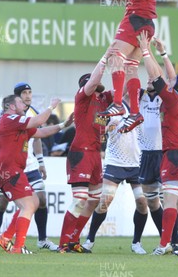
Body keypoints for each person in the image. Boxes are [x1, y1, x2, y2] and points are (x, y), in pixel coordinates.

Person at [84, 0, 158, 134]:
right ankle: (134, 112)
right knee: (131, 67)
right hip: (143, 21)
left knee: (115, 55)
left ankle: (117, 103)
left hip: (137, 19)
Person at [0, 82, 60, 252]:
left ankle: (32, 239)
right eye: (23, 94)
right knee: (6, 203)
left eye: (30, 92)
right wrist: (52, 106)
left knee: (37, 200)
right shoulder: (9, 116)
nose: (27, 96)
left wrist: (64, 125)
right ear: (14, 101)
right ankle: (2, 242)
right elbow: (38, 123)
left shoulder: (30, 113)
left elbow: (39, 135)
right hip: (8, 167)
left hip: (26, 165)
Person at [138, 32, 178, 255]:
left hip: (174, 156)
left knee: (169, 203)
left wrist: (145, 50)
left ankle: (163, 246)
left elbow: (156, 74)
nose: (169, 81)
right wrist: (162, 52)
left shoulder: (170, 99)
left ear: (174, 87)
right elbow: (170, 77)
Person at [58, 47, 116, 253]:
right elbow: (93, 81)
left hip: (94, 155)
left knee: (93, 202)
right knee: (80, 200)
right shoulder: (82, 97)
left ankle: (73, 241)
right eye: (92, 81)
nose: (98, 83)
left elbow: (123, 90)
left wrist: (127, 63)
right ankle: (63, 243)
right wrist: (106, 58)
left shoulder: (102, 100)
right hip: (80, 153)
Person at [82, 100, 149, 254]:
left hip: (137, 163)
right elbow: (98, 125)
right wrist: (105, 128)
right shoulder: (115, 107)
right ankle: (90, 240)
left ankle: (136, 243)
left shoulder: (145, 109)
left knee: (142, 202)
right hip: (115, 162)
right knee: (105, 201)